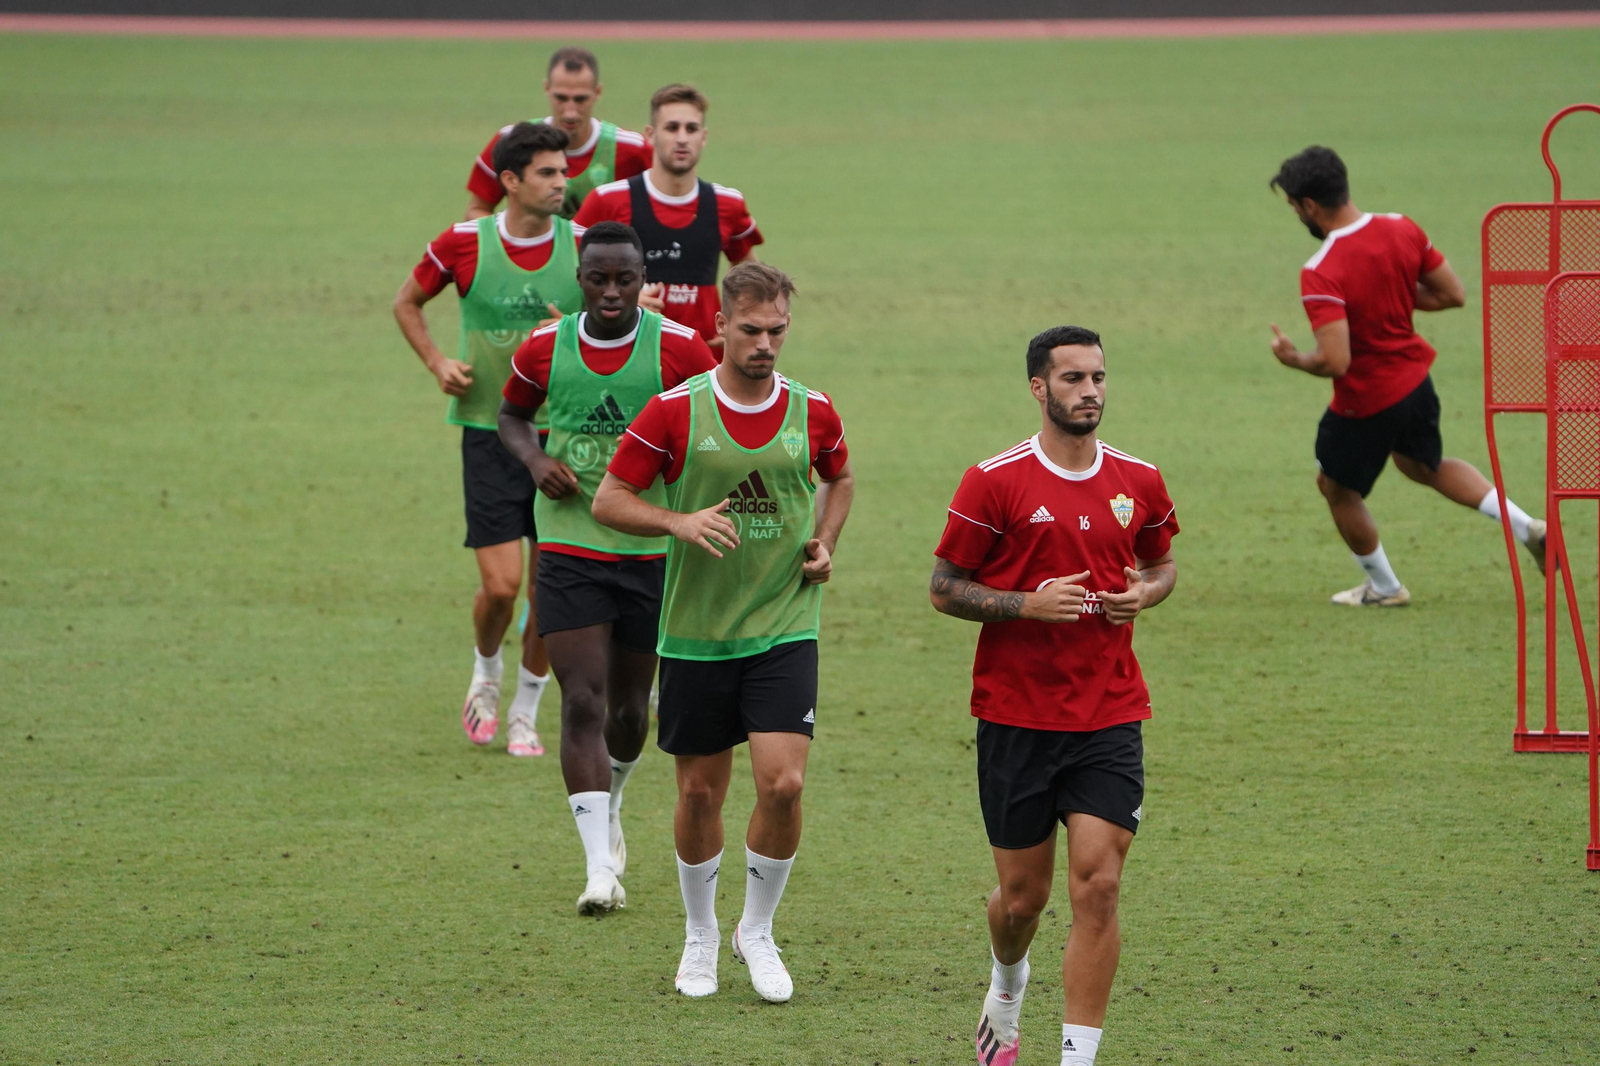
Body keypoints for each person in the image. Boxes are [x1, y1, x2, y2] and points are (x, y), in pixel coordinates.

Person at [592, 262, 853, 1003]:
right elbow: (611, 499)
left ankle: (757, 930)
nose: (766, 343)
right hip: (697, 633)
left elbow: (841, 476)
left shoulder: (815, 409)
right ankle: (700, 933)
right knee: (701, 796)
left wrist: (826, 539)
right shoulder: (676, 411)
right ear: (720, 329)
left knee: (785, 782)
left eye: (777, 330)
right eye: (751, 330)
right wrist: (677, 520)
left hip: (784, 623)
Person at [929, 327, 1178, 1066]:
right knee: (1021, 901)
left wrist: (1146, 593)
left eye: (1098, 377)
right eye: (1072, 379)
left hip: (1110, 710)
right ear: (1039, 388)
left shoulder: (1140, 480)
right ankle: (1008, 985)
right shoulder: (994, 480)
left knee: (1099, 884)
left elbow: (1162, 565)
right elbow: (944, 589)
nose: (1090, 391)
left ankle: (1077, 1057)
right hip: (1016, 716)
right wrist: (1023, 606)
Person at [497, 221, 718, 914]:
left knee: (628, 712)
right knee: (583, 700)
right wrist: (535, 459)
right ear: (580, 276)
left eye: (626, 279)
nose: (613, 292)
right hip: (568, 546)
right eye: (599, 278)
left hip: (653, 551)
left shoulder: (679, 348)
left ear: (643, 277)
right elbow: (510, 416)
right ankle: (598, 868)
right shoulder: (544, 346)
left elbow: (715, 427)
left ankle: (614, 800)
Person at [1267, 145, 1547, 606]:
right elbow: (1452, 294)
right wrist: (1387, 291)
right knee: (1423, 465)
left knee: (1336, 488)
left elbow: (1335, 361)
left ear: (1310, 206)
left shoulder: (1321, 269)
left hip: (1367, 401)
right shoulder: (1402, 227)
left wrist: (1294, 357)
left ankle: (1384, 587)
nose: (1296, 213)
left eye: (1295, 206)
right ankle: (1526, 526)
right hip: (1416, 384)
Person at [394, 121, 584, 755]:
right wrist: (437, 363)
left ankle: (526, 711)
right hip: (489, 432)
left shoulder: (583, 247)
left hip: (564, 439)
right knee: (502, 588)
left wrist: (579, 329)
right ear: (510, 181)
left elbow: (617, 327)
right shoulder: (463, 244)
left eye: (565, 171)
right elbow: (407, 303)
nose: (564, 182)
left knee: (546, 592)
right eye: (549, 173)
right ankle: (486, 670)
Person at [574, 83, 763, 349]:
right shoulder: (608, 200)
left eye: (692, 129)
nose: (682, 138)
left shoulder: (727, 203)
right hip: (631, 356)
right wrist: (620, 300)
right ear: (650, 135)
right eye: (672, 128)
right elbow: (567, 274)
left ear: (704, 137)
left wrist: (740, 324)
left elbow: (752, 279)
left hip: (706, 364)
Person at [464, 46, 653, 221]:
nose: (570, 112)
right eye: (561, 98)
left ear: (597, 92)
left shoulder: (633, 149)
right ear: (547, 89)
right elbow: (476, 210)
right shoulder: (510, 141)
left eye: (580, 99)